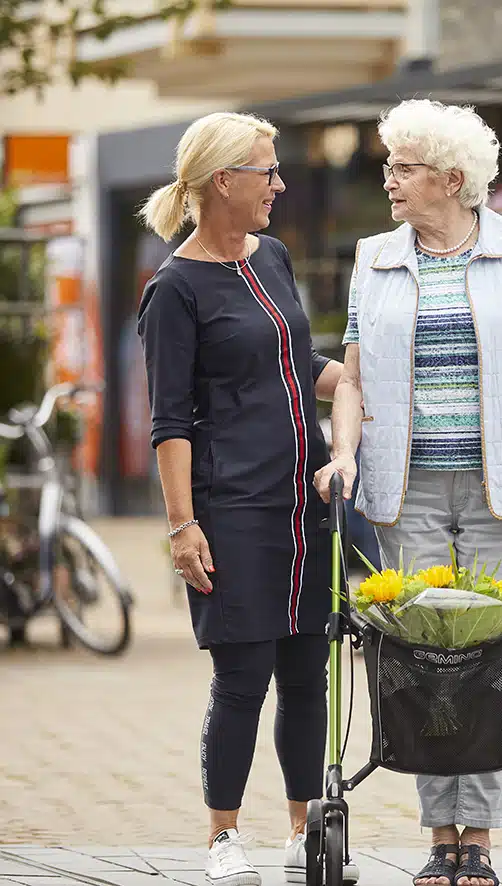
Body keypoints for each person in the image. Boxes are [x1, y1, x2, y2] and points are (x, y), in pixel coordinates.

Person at [313, 99, 502, 886]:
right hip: (408, 486)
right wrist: (344, 456)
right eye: (389, 165)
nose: (389, 179)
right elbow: (354, 380)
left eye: (405, 167)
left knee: (494, 652)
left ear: (454, 180)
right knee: (429, 655)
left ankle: (484, 842)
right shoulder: (375, 258)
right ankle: (443, 838)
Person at [137, 111, 359, 886]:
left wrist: (371, 380)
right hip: (231, 510)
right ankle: (223, 839)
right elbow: (168, 421)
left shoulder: (272, 259)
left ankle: (305, 833)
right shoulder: (174, 289)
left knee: (307, 675)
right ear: (223, 180)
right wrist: (182, 525)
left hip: (306, 504)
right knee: (243, 679)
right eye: (268, 171)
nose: (280, 183)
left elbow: (299, 361)